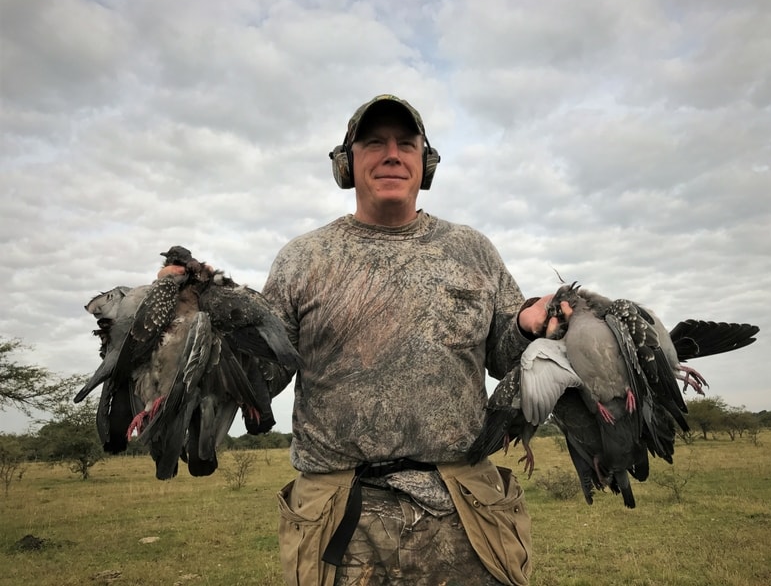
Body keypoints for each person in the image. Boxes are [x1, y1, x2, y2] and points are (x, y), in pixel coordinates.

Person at [163, 94, 562, 585]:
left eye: (406, 144)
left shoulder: (473, 250)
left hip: (464, 513)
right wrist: (202, 316)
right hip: (338, 519)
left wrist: (527, 325)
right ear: (346, 164)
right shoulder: (303, 258)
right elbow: (264, 372)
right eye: (374, 143)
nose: (392, 154)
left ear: (426, 163)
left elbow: (505, 359)